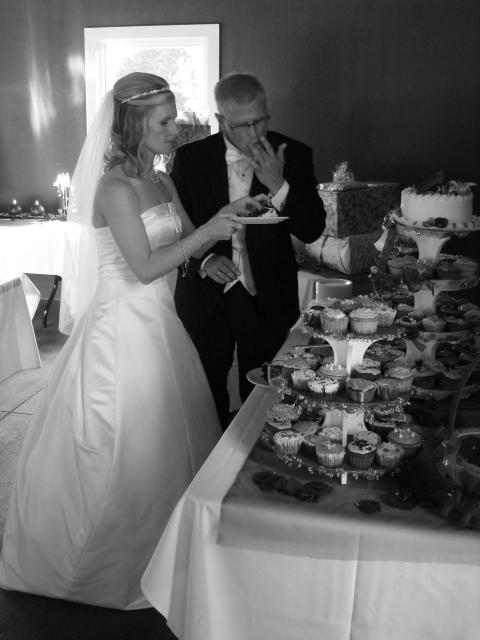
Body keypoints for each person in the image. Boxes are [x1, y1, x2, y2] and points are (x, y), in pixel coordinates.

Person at [0, 73, 265, 609]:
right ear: (134, 124)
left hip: (161, 325)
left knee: (166, 438)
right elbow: (144, 267)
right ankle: (101, 565)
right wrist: (209, 232)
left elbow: (189, 242)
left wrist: (222, 231)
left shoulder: (161, 180)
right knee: (122, 443)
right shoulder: (114, 188)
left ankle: (167, 551)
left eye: (174, 117)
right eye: (164, 121)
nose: (175, 128)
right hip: (121, 327)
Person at [171, 72, 326, 428]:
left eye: (261, 120)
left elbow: (312, 229)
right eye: (243, 125)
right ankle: (212, 456)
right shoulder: (191, 159)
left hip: (267, 293)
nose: (255, 133)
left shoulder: (293, 154)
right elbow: (177, 228)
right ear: (221, 120)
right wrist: (205, 260)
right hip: (207, 295)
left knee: (265, 392)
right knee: (206, 388)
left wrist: (279, 184)